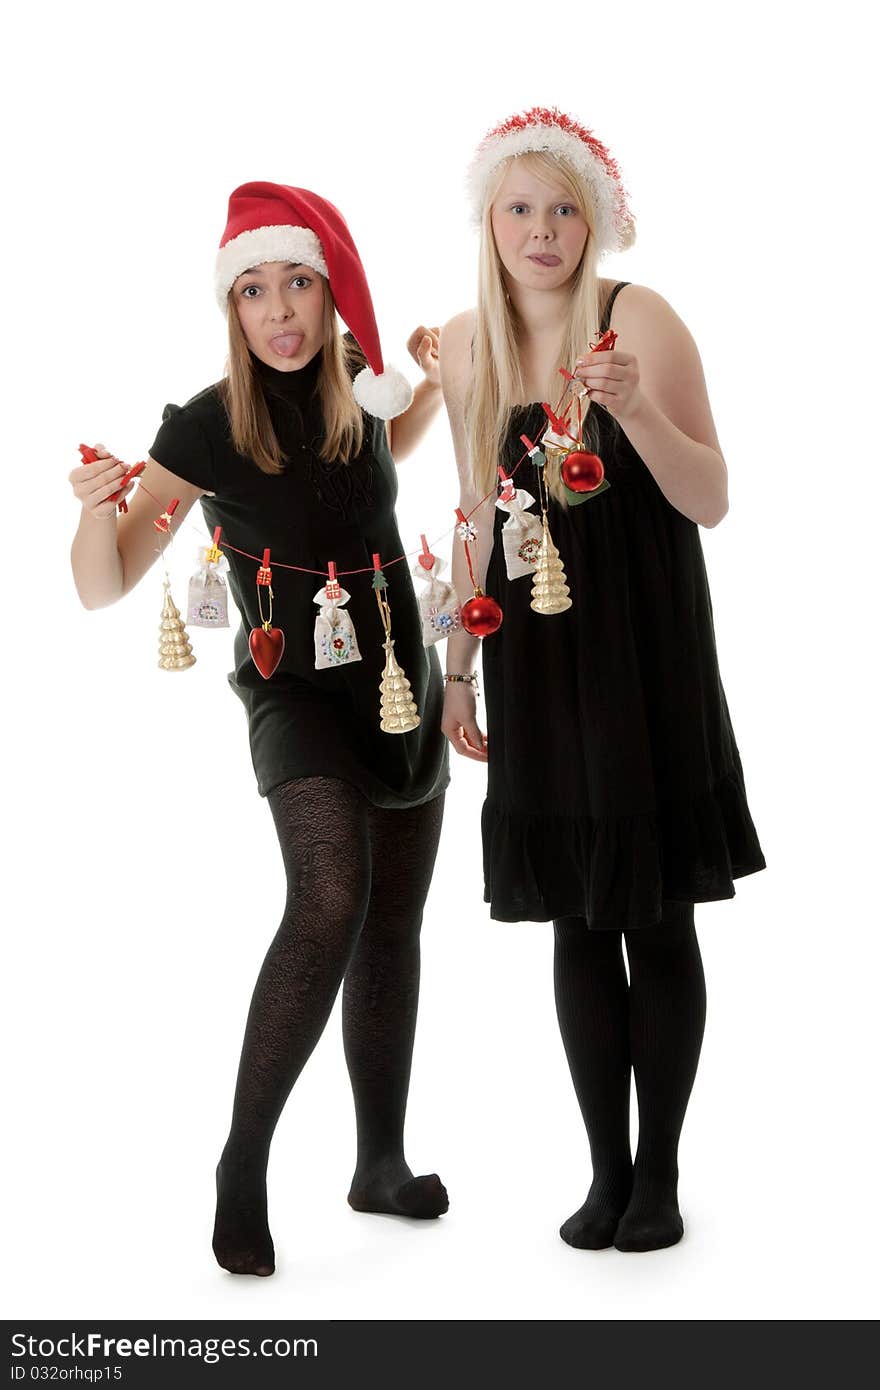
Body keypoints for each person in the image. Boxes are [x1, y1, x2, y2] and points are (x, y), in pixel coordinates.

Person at [69, 182, 450, 1277]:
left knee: (391, 926)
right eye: (253, 290)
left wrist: (426, 384)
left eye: (297, 283)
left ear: (332, 297)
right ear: (229, 309)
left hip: (397, 678)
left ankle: (379, 1163)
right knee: (329, 894)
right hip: (293, 695)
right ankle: (243, 1163)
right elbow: (109, 583)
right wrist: (98, 513)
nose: (278, 310)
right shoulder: (203, 425)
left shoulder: (357, 392)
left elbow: (391, 448)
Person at [439, 109, 766, 1252]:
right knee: (575, 919)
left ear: (596, 220)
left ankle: (662, 1176)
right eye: (520, 206)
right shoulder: (466, 344)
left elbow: (710, 497)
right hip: (537, 660)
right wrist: (458, 673)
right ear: (488, 218)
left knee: (657, 914)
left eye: (564, 207)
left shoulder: (640, 318)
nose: (543, 230)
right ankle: (605, 1171)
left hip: (648, 651)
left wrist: (632, 408)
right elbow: (476, 522)